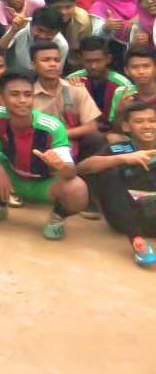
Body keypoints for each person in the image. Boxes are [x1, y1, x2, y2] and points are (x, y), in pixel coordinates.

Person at [0, 70, 90, 240]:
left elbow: (70, 172)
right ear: (2, 97)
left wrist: (60, 165)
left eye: (28, 94)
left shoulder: (52, 127)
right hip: (12, 174)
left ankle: (57, 217)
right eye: (14, 94)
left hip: (45, 184)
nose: (22, 100)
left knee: (77, 189)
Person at [76, 102, 156, 266]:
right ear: (126, 126)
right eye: (139, 121)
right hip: (127, 216)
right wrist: (123, 158)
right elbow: (83, 167)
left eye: (152, 121)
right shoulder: (118, 149)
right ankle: (137, 239)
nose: (147, 126)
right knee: (108, 172)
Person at [68, 36, 132, 131]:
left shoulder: (122, 84)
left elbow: (127, 120)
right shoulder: (72, 80)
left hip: (113, 131)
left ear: (108, 59)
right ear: (81, 60)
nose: (93, 66)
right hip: (80, 131)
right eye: (88, 61)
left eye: (98, 61)